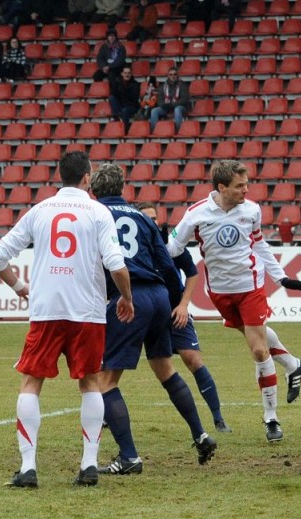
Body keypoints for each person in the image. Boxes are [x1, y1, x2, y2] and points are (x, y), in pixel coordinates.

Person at [0, 151, 134, 489]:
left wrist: (21, 287)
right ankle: (89, 464)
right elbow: (116, 265)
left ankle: (28, 468)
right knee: (91, 383)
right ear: (87, 178)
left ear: (60, 175)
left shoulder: (40, 210)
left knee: (31, 383)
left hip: (47, 309)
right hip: (87, 312)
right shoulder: (98, 212)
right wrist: (126, 298)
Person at [166, 160, 301, 442]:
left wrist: (281, 278)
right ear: (221, 188)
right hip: (219, 292)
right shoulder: (196, 214)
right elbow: (173, 248)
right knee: (252, 336)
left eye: (247, 184)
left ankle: (271, 419)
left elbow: (259, 243)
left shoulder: (251, 210)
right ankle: (294, 364)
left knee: (258, 350)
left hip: (251, 286)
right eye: (239, 186)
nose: (246, 190)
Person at [90, 163, 217, 475]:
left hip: (128, 296)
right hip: (159, 295)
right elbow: (164, 260)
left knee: (105, 380)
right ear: (122, 187)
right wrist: (174, 302)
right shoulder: (141, 217)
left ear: (94, 189)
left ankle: (129, 457)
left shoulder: (93, 214)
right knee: (165, 368)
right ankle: (200, 434)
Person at [137, 201, 231, 433]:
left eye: (154, 218)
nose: (151, 222)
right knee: (116, 360)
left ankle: (218, 418)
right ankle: (107, 411)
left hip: (174, 311)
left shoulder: (170, 246)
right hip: (145, 313)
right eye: (146, 218)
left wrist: (183, 304)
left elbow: (192, 272)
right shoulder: (134, 249)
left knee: (193, 359)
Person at [149, 66, 190, 133]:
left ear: (177, 75)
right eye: (170, 75)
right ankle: (154, 131)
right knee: (154, 110)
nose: (173, 76)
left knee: (177, 109)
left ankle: (178, 131)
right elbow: (160, 99)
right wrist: (163, 105)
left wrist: (172, 105)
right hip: (167, 107)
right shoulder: (163, 86)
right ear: (168, 76)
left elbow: (184, 99)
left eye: (174, 74)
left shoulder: (183, 85)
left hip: (181, 108)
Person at [108, 64, 139, 129]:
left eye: (128, 73)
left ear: (131, 74)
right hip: (121, 106)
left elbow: (134, 99)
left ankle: (125, 129)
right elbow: (113, 94)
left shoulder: (135, 84)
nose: (127, 75)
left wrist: (124, 90)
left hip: (131, 107)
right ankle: (117, 117)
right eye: (125, 73)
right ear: (122, 74)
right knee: (111, 98)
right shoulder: (118, 82)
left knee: (125, 110)